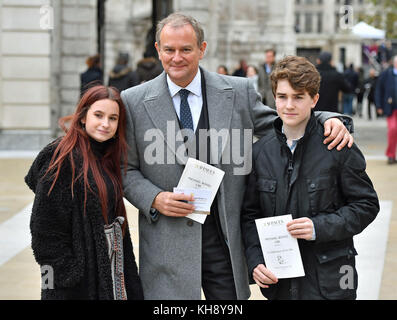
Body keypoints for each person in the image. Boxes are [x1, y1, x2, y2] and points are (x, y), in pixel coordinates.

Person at [120, 12, 353, 300]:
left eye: (186, 49)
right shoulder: (132, 101)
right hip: (167, 244)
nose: (176, 57)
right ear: (158, 49)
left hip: (226, 242)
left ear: (202, 49)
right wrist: (154, 198)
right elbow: (125, 170)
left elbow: (282, 120)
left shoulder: (238, 92)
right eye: (169, 49)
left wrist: (331, 119)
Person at [241, 56, 379, 300]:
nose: (289, 105)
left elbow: (366, 205)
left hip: (332, 282)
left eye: (298, 96)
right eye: (282, 97)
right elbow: (250, 216)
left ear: (314, 99)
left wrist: (318, 227)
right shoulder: (260, 152)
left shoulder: (338, 146)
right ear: (274, 98)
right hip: (280, 285)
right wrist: (255, 261)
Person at [25, 86, 144, 300]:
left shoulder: (107, 156)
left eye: (113, 118)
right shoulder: (62, 157)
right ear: (82, 117)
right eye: (98, 115)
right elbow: (44, 230)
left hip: (109, 269)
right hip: (77, 282)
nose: (105, 124)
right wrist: (67, 276)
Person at [375, 55, 397, 164]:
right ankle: (391, 155)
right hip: (391, 108)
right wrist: (379, 106)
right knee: (393, 130)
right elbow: (378, 89)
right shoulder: (386, 74)